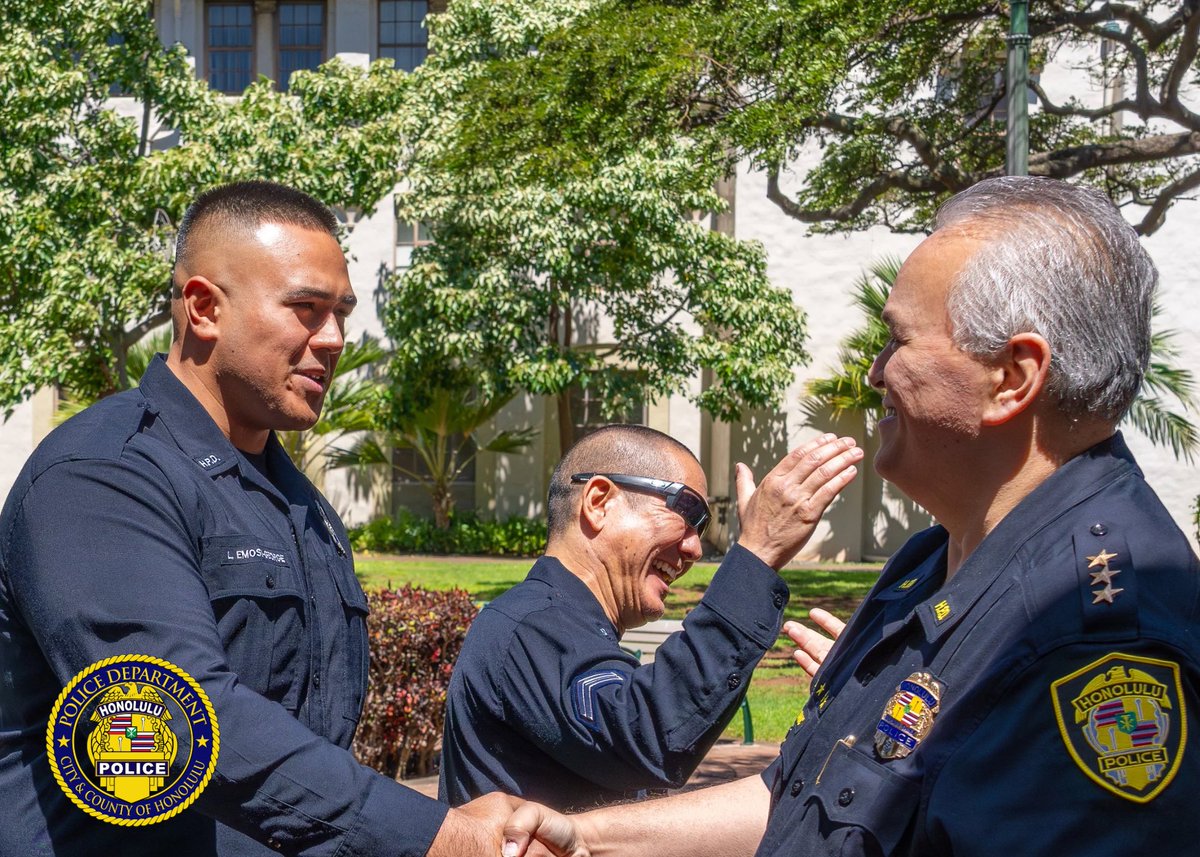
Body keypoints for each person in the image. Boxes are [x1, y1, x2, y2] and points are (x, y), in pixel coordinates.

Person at [502, 176, 1200, 857]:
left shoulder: (1094, 641)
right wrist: (588, 837)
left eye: (899, 340)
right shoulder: (927, 565)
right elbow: (800, 795)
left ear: (1012, 377)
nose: (874, 371)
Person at [0, 181, 511, 856]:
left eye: (341, 313)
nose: (332, 339)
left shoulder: (302, 505)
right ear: (205, 308)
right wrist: (434, 834)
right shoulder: (102, 476)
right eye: (306, 308)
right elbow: (178, 718)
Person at [440, 425, 864, 809]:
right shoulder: (529, 625)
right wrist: (756, 557)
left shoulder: (568, 627)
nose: (696, 548)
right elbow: (648, 733)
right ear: (599, 501)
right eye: (687, 511)